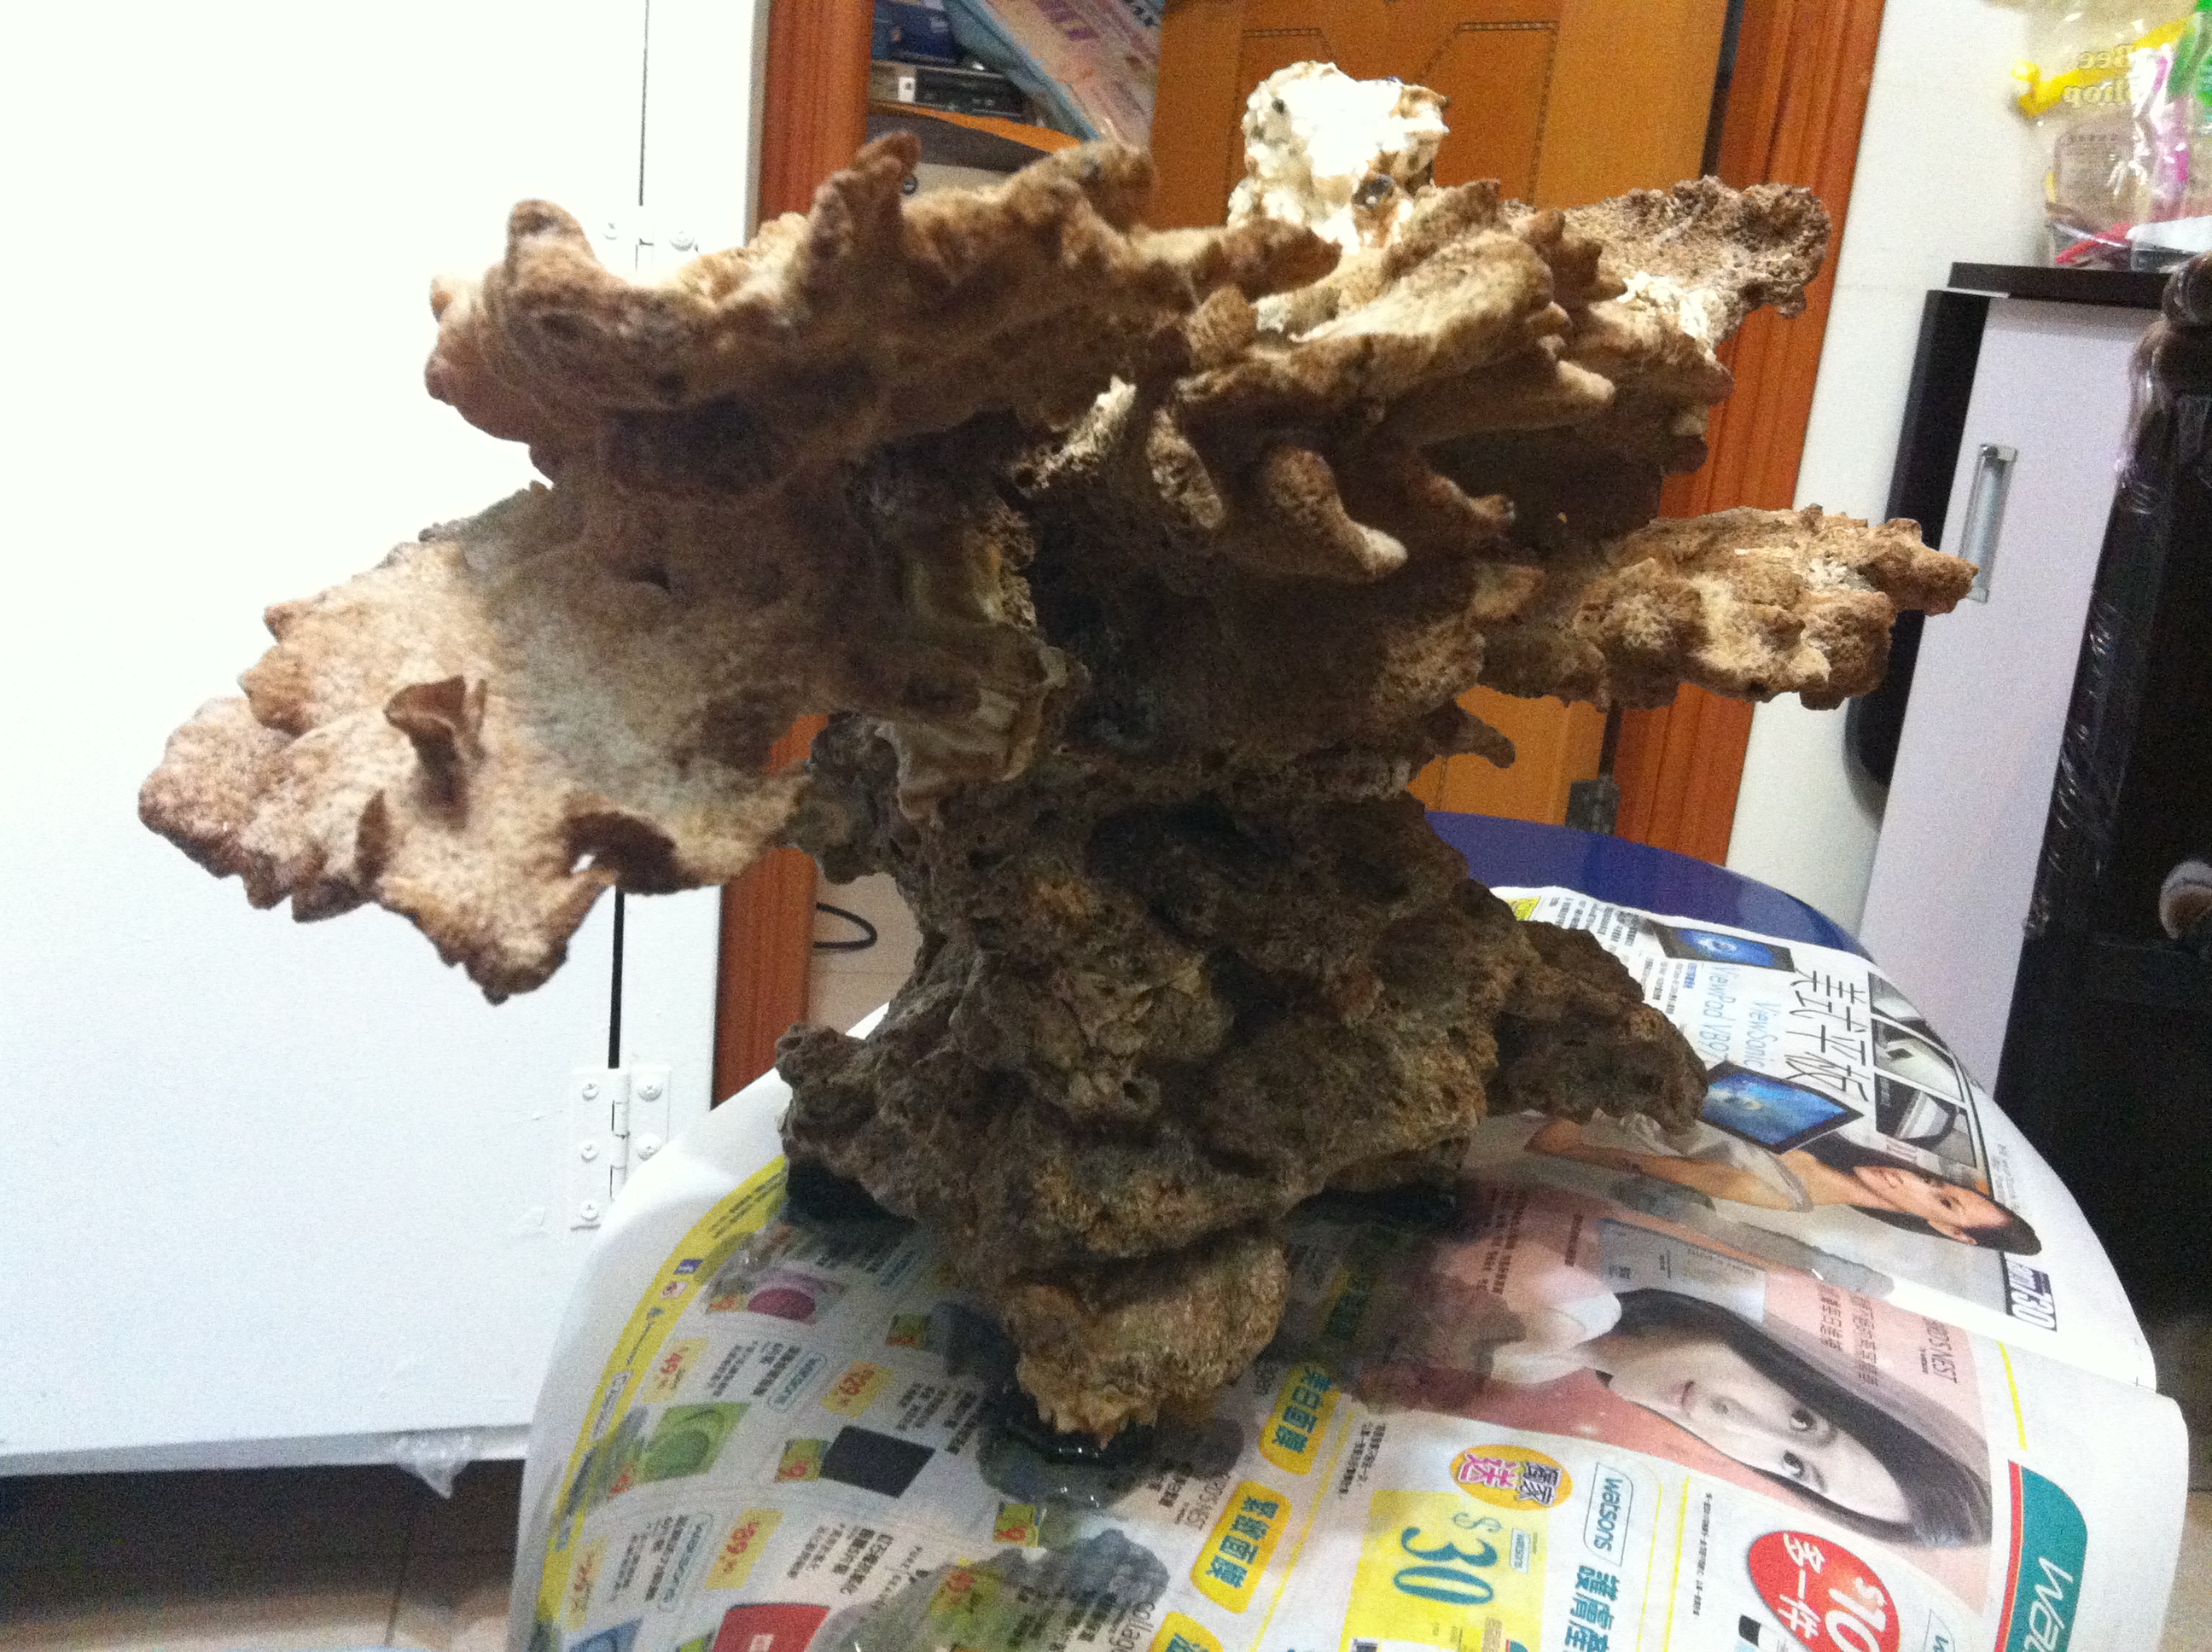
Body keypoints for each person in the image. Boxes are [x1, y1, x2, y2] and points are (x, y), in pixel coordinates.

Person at [1362, 1271, 1993, 1549]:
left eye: (1794, 1466)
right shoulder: (1562, 1303)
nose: (1731, 1421)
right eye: (1803, 1419)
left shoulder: (1554, 1365)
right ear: (1811, 1370)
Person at [1523, 1116, 2042, 1254]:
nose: (1909, 1179)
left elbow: (1644, 1164)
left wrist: (1571, 1133)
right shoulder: (1826, 1132)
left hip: (1584, 1100)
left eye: (1940, 1200)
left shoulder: (1783, 1194)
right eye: (1931, 1179)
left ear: (1946, 1229)